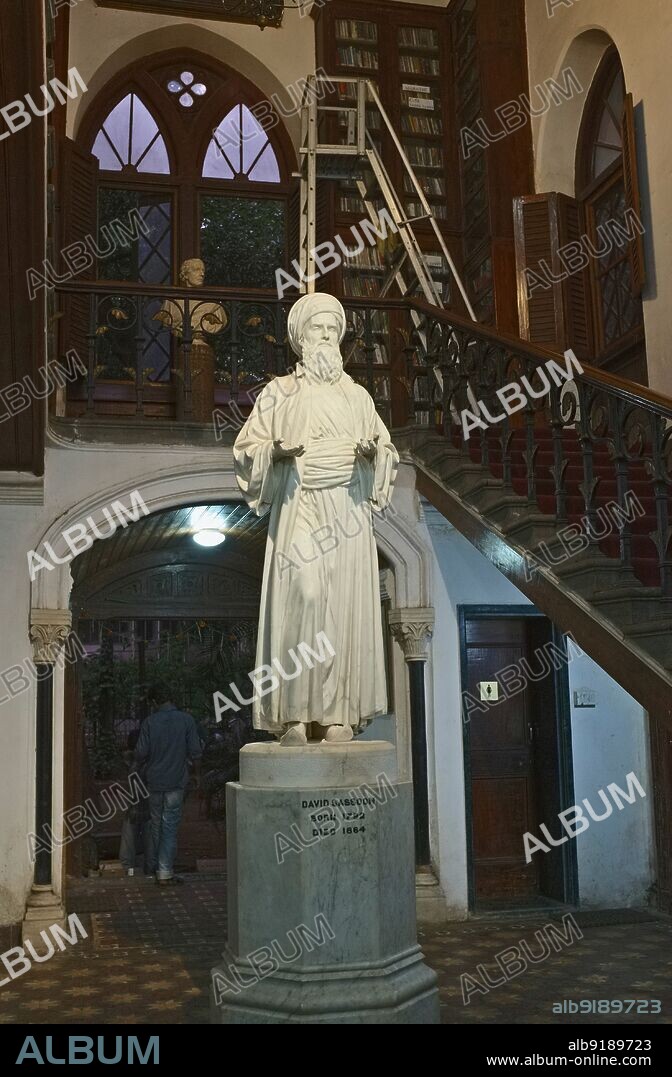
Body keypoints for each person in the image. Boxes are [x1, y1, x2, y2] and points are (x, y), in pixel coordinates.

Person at [233, 292, 398, 746]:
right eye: (317, 330)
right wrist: (275, 451)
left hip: (345, 507)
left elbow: (387, 450)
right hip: (299, 501)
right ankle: (294, 715)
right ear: (300, 338)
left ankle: (338, 714)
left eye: (332, 331)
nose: (325, 337)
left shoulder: (358, 396)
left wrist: (373, 454)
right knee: (302, 596)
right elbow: (246, 450)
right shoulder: (279, 392)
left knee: (343, 606)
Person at [134, 700, 202, 886]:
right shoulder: (186, 720)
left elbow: (140, 753)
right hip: (176, 781)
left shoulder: (149, 722)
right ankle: (164, 871)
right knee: (169, 825)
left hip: (154, 781)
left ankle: (155, 865)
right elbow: (196, 751)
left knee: (156, 824)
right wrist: (196, 774)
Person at [118, 730, 152, 877]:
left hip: (133, 806)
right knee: (149, 838)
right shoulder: (147, 762)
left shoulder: (129, 761)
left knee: (129, 839)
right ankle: (150, 867)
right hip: (147, 806)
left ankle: (128, 869)